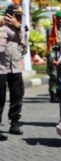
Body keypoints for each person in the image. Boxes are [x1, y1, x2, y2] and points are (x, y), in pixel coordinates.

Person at [0, 4, 23, 140]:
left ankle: (15, 123)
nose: (18, 18)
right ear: (10, 14)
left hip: (14, 66)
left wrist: (18, 27)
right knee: (0, 98)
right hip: (1, 68)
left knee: (17, 96)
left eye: (20, 16)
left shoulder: (20, 28)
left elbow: (23, 43)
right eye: (16, 15)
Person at [46, 11, 61, 103]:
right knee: (54, 75)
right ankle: (53, 94)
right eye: (59, 19)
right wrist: (52, 59)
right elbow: (49, 44)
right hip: (53, 53)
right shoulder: (50, 29)